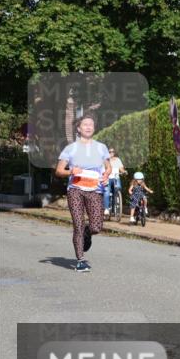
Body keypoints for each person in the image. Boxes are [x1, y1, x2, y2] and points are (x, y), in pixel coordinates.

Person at [54, 115, 110, 272]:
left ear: (94, 128)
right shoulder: (70, 148)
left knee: (96, 227)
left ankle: (88, 231)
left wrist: (106, 175)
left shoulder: (101, 147)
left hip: (95, 190)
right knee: (78, 225)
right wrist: (71, 170)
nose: (88, 127)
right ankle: (81, 260)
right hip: (75, 190)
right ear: (78, 128)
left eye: (91, 124)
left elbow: (108, 167)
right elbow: (59, 171)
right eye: (85, 124)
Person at [102, 147, 126, 216]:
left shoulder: (118, 160)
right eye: (109, 152)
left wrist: (124, 171)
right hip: (108, 178)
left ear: (114, 153)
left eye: (112, 152)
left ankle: (116, 206)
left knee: (118, 190)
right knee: (106, 192)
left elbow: (121, 168)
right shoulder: (105, 160)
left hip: (116, 178)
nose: (111, 153)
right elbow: (102, 169)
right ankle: (106, 208)